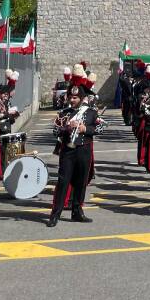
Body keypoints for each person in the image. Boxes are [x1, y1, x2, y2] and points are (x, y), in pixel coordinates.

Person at [47, 85, 98, 228]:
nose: (72, 100)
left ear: (81, 98)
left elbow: (100, 128)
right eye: (70, 97)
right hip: (68, 152)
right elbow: (55, 131)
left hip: (84, 150)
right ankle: (55, 214)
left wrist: (85, 129)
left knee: (81, 182)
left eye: (75, 97)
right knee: (63, 181)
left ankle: (77, 211)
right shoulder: (64, 113)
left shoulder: (91, 113)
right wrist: (68, 127)